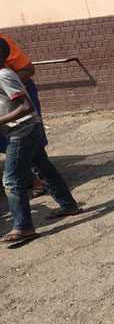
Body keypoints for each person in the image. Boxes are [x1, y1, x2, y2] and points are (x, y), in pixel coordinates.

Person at [0, 38, 82, 243]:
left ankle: (23, 227)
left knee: (11, 180)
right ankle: (69, 205)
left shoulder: (4, 75)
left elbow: (26, 106)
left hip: (23, 131)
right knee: (44, 168)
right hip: (27, 129)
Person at [0, 34, 48, 198]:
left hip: (17, 99)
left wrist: (5, 85)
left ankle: (38, 180)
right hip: (6, 103)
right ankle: (32, 178)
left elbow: (28, 70)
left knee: (28, 143)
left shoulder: (4, 73)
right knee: (16, 145)